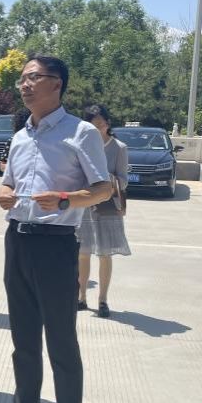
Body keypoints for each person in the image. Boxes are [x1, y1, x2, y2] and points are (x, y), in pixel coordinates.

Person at [0, 55, 112, 403]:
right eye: (22, 79)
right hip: (17, 240)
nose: (24, 85)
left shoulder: (80, 132)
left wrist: (64, 199)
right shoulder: (20, 136)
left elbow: (103, 189)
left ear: (56, 83)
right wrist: (3, 192)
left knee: (61, 342)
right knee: (23, 338)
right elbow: (9, 182)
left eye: (32, 77)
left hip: (56, 245)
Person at [78, 104, 131, 318]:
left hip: (107, 206)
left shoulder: (119, 148)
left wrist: (106, 180)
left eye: (101, 124)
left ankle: (102, 300)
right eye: (93, 125)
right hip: (84, 205)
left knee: (105, 254)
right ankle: (81, 296)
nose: (98, 129)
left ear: (108, 124)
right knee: (82, 253)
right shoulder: (81, 146)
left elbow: (124, 181)